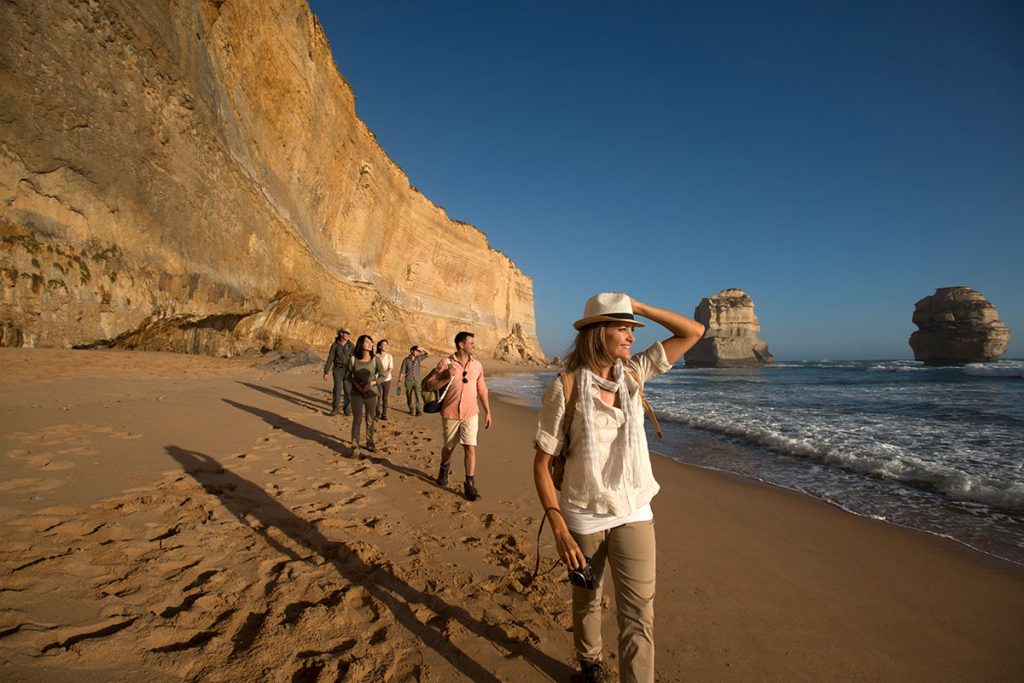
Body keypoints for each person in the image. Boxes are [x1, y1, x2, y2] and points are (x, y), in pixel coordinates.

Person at [532, 292, 704, 683]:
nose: (631, 337)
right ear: (597, 332)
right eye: (622, 328)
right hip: (583, 513)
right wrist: (559, 528)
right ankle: (590, 661)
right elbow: (541, 465)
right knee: (588, 601)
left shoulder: (633, 375)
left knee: (639, 614)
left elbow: (693, 331)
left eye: (632, 329)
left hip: (635, 510)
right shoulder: (566, 388)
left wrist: (637, 308)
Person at [425, 331, 492, 501]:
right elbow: (430, 385)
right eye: (471, 343)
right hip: (450, 412)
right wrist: (446, 377)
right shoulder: (446, 363)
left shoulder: (477, 365)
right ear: (461, 345)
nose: (473, 346)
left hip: (471, 412)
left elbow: (482, 389)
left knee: (470, 447)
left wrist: (488, 411)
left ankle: (469, 484)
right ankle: (444, 467)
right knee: (449, 447)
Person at [347, 334, 384, 453]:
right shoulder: (353, 359)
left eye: (371, 342)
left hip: (371, 394)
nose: (370, 344)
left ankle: (370, 442)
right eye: (367, 341)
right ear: (360, 343)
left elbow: (383, 376)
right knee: (357, 419)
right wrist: (356, 384)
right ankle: (354, 444)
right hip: (356, 394)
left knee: (370, 420)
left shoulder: (375, 360)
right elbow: (347, 375)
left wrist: (372, 383)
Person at [322, 328, 354, 416]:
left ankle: (347, 410)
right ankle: (335, 409)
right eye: (346, 333)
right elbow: (330, 358)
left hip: (348, 370)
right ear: (341, 334)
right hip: (337, 369)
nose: (347, 335)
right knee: (337, 389)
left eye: (348, 334)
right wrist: (326, 372)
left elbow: (356, 358)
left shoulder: (351, 345)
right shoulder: (335, 345)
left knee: (348, 390)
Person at [397, 345, 429, 416]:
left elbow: (429, 354)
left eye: (418, 351)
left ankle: (418, 410)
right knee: (409, 395)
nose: (418, 353)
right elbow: (402, 371)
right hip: (408, 381)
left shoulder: (419, 358)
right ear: (412, 351)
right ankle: (411, 408)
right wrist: (399, 380)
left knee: (418, 395)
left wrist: (423, 348)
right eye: (416, 351)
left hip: (417, 380)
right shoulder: (405, 360)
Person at [374, 339, 394, 421]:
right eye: (383, 345)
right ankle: (377, 413)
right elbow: (373, 367)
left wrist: (385, 374)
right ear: (379, 346)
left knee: (385, 397)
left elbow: (391, 367)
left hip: (387, 379)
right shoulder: (375, 356)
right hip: (377, 379)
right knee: (377, 397)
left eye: (386, 345)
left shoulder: (389, 356)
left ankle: (384, 414)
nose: (385, 346)